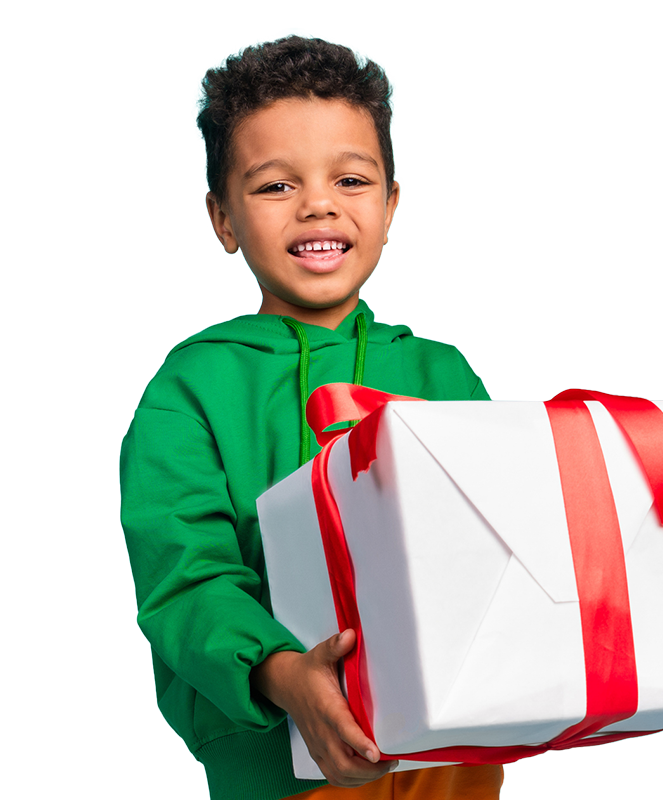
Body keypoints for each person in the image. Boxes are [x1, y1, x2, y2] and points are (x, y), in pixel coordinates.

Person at [120, 35, 503, 800]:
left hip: (455, 755)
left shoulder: (443, 373)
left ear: (390, 207)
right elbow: (185, 577)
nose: (318, 203)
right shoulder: (189, 389)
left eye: (351, 179)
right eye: (274, 187)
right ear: (222, 219)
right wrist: (286, 676)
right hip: (286, 769)